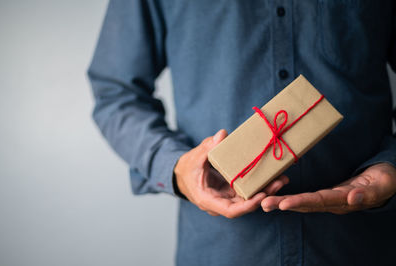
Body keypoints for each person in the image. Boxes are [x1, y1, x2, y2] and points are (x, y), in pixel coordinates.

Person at [88, 1, 396, 265]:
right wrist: (177, 168)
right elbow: (117, 93)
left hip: (360, 245)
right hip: (224, 249)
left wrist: (392, 162)